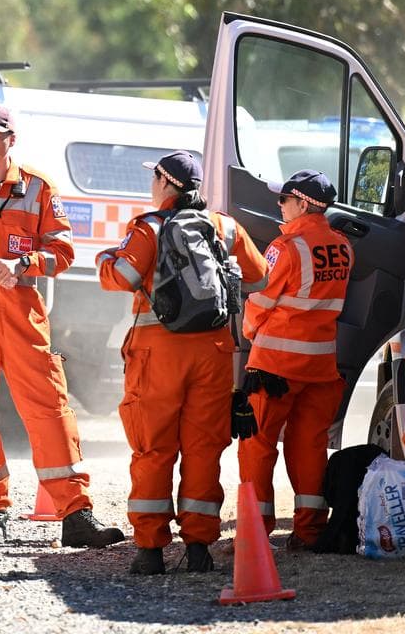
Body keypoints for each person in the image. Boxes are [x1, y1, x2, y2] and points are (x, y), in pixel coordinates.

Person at [0, 105, 124, 548]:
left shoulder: (38, 189)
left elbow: (64, 251)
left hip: (22, 318)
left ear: (11, 139)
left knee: (49, 408)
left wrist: (22, 263)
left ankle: (75, 513)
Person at [96, 150, 269, 575]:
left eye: (154, 180)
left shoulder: (149, 228)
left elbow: (121, 277)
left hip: (158, 353)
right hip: (213, 353)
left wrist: (104, 258)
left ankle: (150, 550)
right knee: (203, 448)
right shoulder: (224, 226)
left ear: (165, 183)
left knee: (153, 447)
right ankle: (198, 549)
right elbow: (260, 276)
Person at [236, 169, 352, 551]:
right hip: (321, 367)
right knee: (309, 447)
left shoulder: (285, 249)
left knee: (257, 445)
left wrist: (249, 335)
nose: (279, 206)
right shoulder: (343, 247)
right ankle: (309, 530)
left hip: (274, 367)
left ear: (302, 204)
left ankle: (256, 528)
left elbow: (258, 303)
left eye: (283, 200)